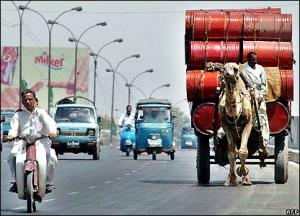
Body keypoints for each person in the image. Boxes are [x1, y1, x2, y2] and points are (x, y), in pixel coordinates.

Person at [6, 89, 58, 193]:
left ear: (35, 100)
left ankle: (48, 183)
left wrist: (52, 132)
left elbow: (51, 124)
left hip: (41, 142)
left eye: (30, 99)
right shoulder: (18, 115)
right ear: (22, 102)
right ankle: (16, 182)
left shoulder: (42, 113)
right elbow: (13, 128)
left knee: (51, 156)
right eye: (25, 100)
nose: (28, 102)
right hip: (23, 142)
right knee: (12, 156)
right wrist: (11, 135)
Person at [240, 51, 269, 158]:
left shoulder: (260, 69)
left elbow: (264, 85)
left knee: (261, 116)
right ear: (248, 59)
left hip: (258, 96)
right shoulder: (242, 68)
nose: (255, 61)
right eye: (252, 60)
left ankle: (263, 138)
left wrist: (261, 95)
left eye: (256, 59)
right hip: (246, 94)